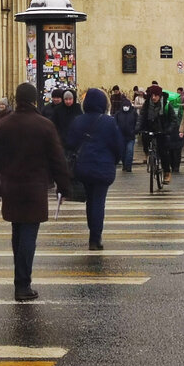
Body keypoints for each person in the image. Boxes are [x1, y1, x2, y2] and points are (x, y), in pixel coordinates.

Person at [0, 83, 72, 300]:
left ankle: (20, 280)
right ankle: (23, 284)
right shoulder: (44, 125)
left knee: (17, 233)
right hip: (35, 188)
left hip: (11, 187)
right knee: (28, 236)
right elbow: (57, 159)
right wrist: (64, 186)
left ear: (16, 99)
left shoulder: (4, 125)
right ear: (34, 100)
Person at [66, 88, 122, 250]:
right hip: (103, 168)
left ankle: (93, 233)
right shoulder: (109, 121)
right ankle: (95, 238)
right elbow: (118, 146)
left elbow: (70, 143)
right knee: (98, 201)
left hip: (83, 167)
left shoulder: (78, 120)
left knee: (90, 201)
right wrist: (113, 161)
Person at [138, 85, 176, 184]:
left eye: (156, 95)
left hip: (162, 131)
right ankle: (148, 156)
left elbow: (173, 120)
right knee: (145, 140)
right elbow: (141, 117)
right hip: (149, 129)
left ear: (160, 96)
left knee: (163, 152)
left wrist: (169, 129)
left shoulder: (166, 105)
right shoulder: (146, 105)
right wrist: (138, 128)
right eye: (152, 95)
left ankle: (167, 173)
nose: (154, 97)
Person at [112, 91, 138, 171]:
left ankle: (128, 167)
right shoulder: (118, 114)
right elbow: (115, 124)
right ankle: (124, 164)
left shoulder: (133, 113)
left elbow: (137, 122)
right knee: (123, 152)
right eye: (124, 106)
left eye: (127, 105)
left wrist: (135, 131)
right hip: (121, 137)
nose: (126, 107)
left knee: (129, 151)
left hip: (130, 136)